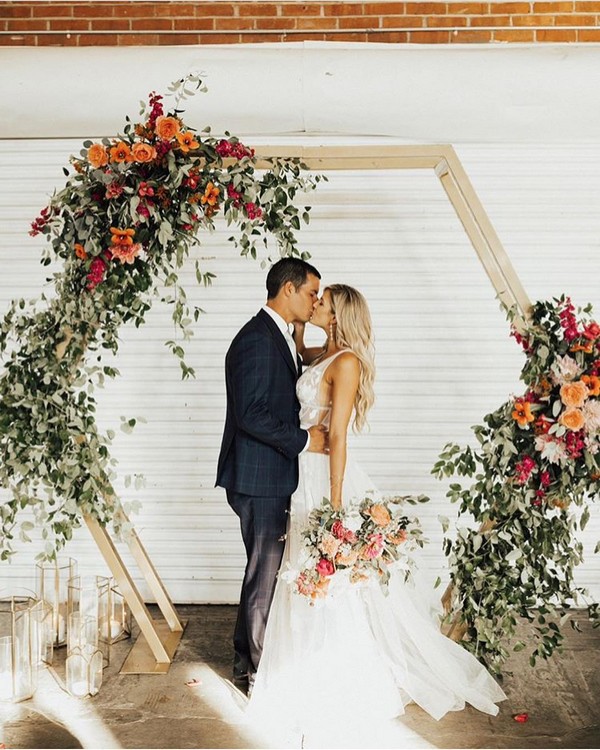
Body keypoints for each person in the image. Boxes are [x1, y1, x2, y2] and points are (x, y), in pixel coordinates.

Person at [246, 284, 507, 744]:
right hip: (300, 470)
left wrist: (335, 502)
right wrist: (303, 326)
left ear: (340, 313)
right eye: (314, 298)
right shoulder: (324, 353)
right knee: (300, 571)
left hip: (324, 475)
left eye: (322, 302)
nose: (315, 303)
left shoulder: (347, 363)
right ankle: (297, 666)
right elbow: (301, 355)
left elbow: (340, 436)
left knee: (327, 578)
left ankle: (333, 678)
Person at [216, 257, 329, 697]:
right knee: (264, 573)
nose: (315, 301)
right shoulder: (256, 341)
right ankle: (257, 671)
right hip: (257, 478)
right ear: (288, 289)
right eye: (311, 293)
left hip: (267, 475)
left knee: (261, 570)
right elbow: (251, 415)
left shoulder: (275, 336)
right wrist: (305, 440)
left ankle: (245, 655)